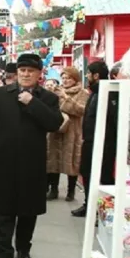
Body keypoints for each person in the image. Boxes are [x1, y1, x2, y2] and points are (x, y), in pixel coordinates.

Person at [0, 54, 63, 258]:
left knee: (27, 212)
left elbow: (54, 123)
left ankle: (23, 249)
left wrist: (33, 103)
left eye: (30, 70)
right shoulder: (1, 95)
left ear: (40, 74)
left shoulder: (48, 98)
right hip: (3, 164)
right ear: (16, 73)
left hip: (32, 165)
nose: (26, 74)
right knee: (2, 212)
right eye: (22, 70)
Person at [74, 61, 118, 218]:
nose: (86, 76)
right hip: (90, 142)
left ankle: (103, 210)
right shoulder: (95, 93)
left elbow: (112, 121)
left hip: (104, 144)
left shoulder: (108, 93)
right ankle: (89, 205)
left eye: (88, 73)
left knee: (103, 178)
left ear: (96, 75)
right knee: (87, 174)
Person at [46, 66, 87, 202]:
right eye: (63, 78)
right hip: (56, 130)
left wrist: (66, 98)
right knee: (53, 159)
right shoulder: (55, 92)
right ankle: (53, 189)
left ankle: (71, 191)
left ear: (75, 79)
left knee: (72, 161)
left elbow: (81, 110)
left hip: (73, 131)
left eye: (68, 78)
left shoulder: (83, 93)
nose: (65, 80)